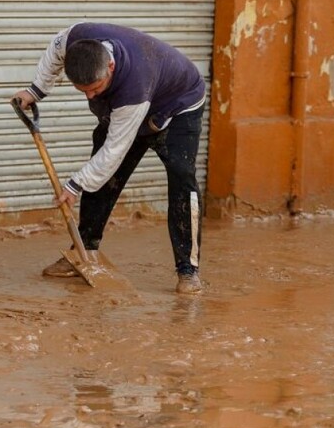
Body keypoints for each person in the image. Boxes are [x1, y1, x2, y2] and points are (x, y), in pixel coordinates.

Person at [12, 22, 206, 294]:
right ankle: (84, 253)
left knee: (182, 180)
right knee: (102, 180)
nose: (90, 96)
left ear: (111, 68)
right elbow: (54, 52)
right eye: (83, 90)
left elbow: (115, 149)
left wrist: (74, 184)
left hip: (177, 106)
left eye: (95, 88)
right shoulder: (74, 38)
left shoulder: (134, 87)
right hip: (126, 108)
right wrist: (36, 90)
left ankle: (188, 270)